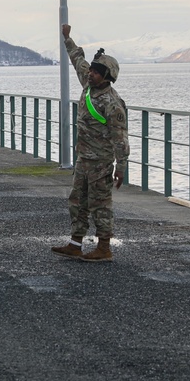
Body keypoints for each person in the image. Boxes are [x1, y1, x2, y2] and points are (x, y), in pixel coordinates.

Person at [52, 24, 130, 262]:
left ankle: (104, 248)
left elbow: (120, 137)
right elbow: (78, 60)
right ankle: (75, 244)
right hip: (83, 160)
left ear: (106, 76)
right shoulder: (88, 85)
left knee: (100, 205)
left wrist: (121, 167)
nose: (90, 73)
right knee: (77, 202)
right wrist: (68, 39)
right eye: (91, 71)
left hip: (100, 164)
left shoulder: (112, 103)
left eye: (95, 72)